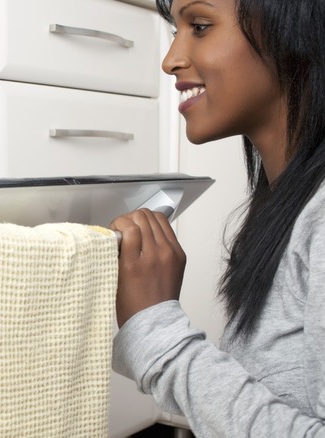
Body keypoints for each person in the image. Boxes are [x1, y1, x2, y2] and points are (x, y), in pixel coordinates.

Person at [109, 0, 325, 436]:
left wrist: (157, 328)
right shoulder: (286, 203)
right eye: (176, 31)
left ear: (296, 34)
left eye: (201, 26)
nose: (171, 60)